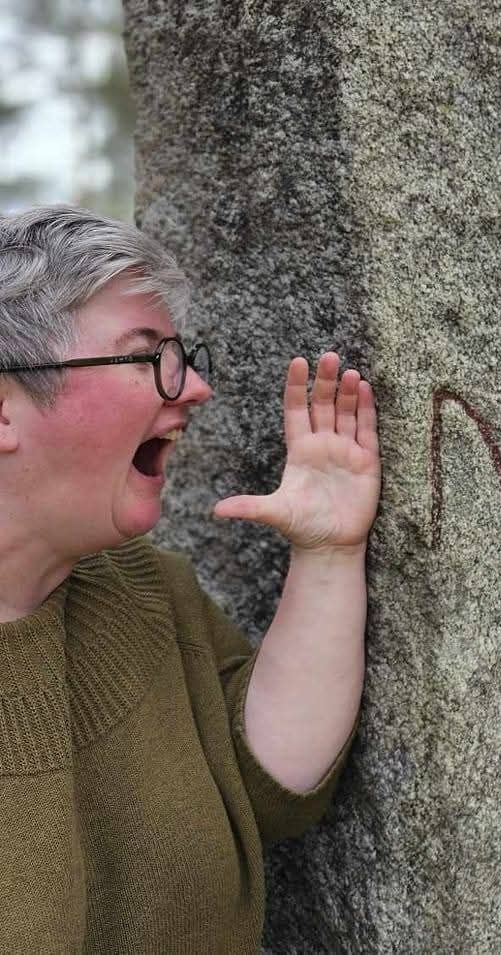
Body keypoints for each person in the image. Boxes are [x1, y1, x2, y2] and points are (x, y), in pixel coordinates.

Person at [0, 205, 382, 953]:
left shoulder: (140, 588)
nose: (194, 388)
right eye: (149, 358)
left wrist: (330, 554)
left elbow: (265, 782)